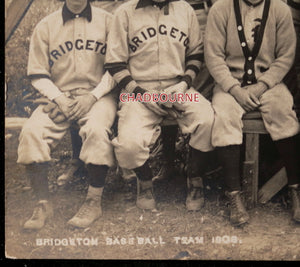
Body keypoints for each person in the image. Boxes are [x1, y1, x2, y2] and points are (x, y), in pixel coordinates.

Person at [105, 0, 215, 211]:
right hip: (136, 94)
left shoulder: (184, 9)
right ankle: (145, 183)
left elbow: (196, 54)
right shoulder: (125, 13)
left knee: (207, 119)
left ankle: (195, 179)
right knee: (128, 145)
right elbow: (115, 63)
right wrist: (141, 94)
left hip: (178, 89)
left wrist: (184, 84)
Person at [18, 0, 117, 229]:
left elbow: (116, 68)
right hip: (59, 97)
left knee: (96, 130)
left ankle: (93, 201)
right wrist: (59, 98)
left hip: (99, 96)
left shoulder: (108, 22)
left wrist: (92, 97)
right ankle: (42, 203)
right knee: (32, 132)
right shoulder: (46, 26)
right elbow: (37, 74)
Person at [205, 0, 300, 225]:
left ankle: (296, 189)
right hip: (231, 85)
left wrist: (263, 84)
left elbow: (286, 55)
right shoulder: (221, 8)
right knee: (224, 116)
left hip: (268, 84)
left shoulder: (280, 9)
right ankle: (234, 195)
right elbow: (214, 56)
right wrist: (234, 89)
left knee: (282, 111)